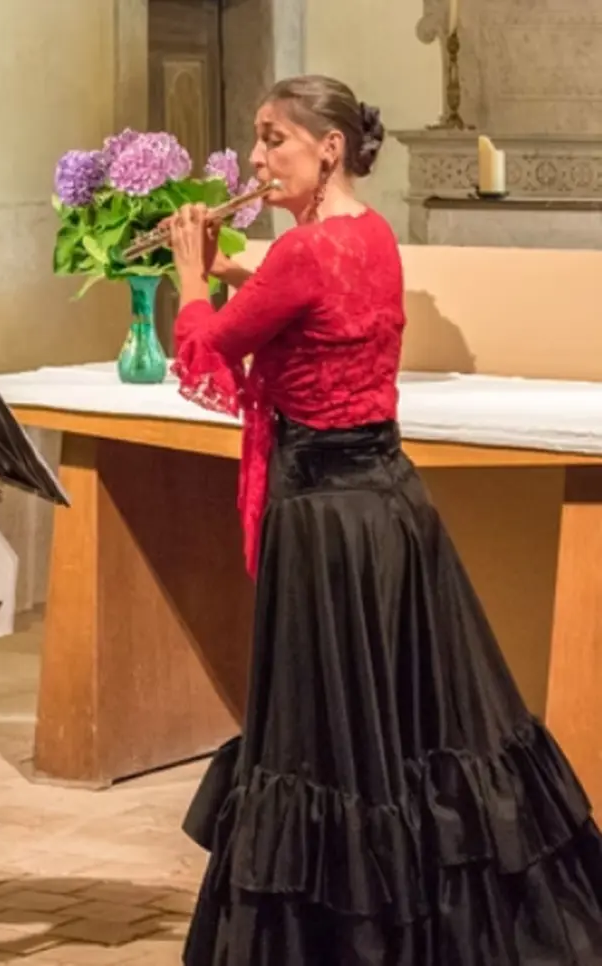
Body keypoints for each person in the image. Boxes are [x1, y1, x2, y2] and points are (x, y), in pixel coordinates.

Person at [167, 75, 602, 965]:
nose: (256, 157)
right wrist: (236, 267)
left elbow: (207, 349)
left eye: (273, 138)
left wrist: (188, 274)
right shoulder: (370, 238)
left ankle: (342, 938)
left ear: (328, 148)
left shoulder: (303, 255)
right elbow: (303, 291)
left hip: (328, 522)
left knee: (330, 743)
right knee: (417, 729)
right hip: (390, 508)